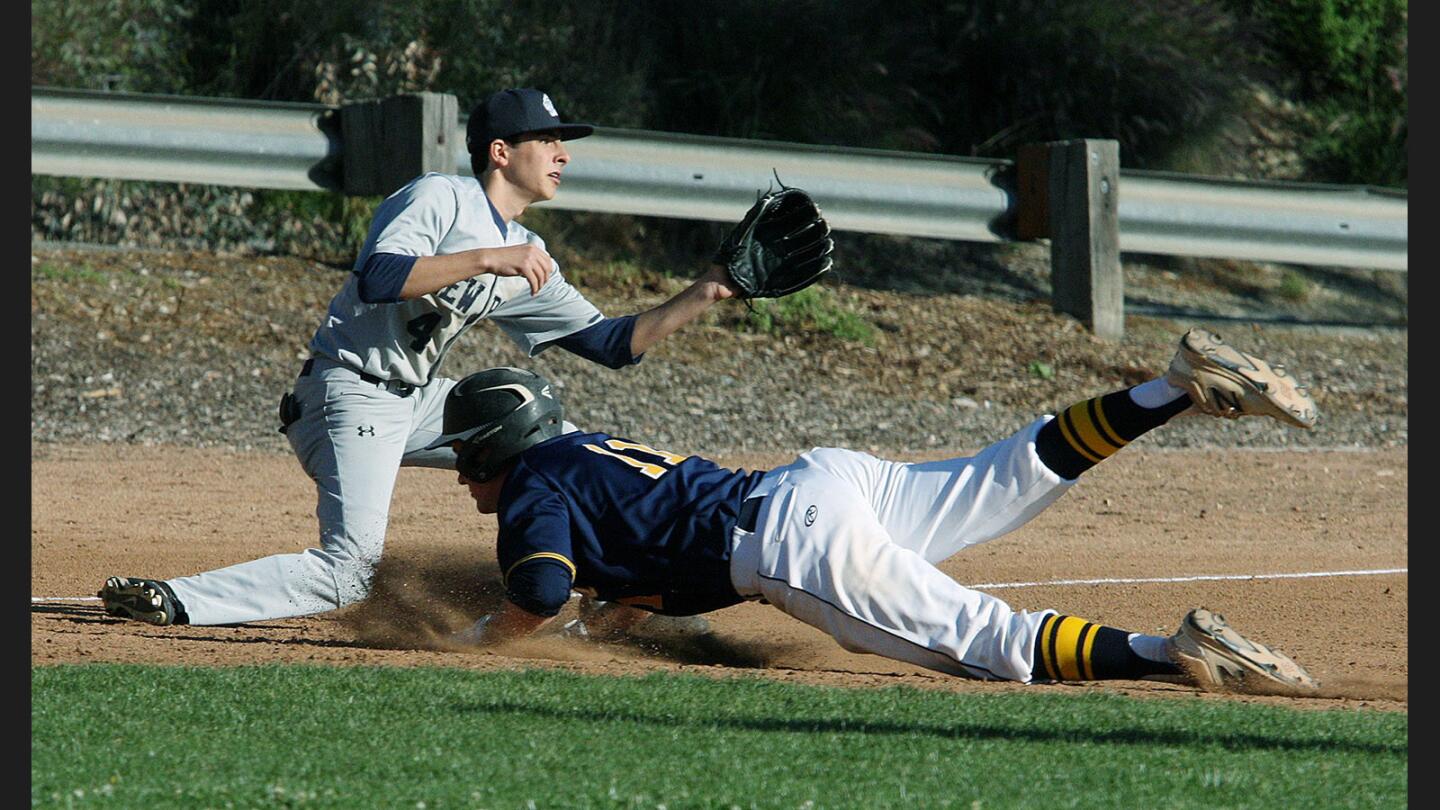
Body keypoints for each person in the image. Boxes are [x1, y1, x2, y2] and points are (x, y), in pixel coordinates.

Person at [98, 87, 744, 628]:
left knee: (569, 454)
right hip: (347, 392)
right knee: (351, 571)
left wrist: (708, 288)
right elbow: (379, 276)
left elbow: (611, 344)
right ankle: (175, 599)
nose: (562, 154)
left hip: (417, 398)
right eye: (547, 141)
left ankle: (618, 604)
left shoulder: (524, 246)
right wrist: (489, 259)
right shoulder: (440, 198)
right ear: (501, 152)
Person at [431, 328, 1319, 691]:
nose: (469, 485)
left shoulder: (532, 493)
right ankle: (1173, 387)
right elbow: (649, 569)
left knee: (988, 643)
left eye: (469, 463)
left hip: (794, 546)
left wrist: (463, 645)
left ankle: (1182, 655)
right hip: (820, 482)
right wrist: (608, 629)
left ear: (494, 449)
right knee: (1009, 473)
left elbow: (540, 592)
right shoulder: (581, 457)